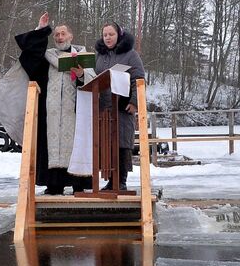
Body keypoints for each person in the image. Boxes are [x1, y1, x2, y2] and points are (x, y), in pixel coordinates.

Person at [12, 13, 92, 194]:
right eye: (56, 34)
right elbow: (29, 53)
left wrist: (80, 75)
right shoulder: (47, 57)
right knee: (51, 147)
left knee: (75, 146)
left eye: (63, 34)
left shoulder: (82, 56)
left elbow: (93, 82)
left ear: (71, 36)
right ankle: (54, 184)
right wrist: (41, 29)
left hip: (75, 114)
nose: (60, 37)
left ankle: (78, 184)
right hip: (51, 114)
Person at [94, 21, 147, 191]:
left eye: (111, 34)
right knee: (106, 143)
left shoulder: (131, 55)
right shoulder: (99, 56)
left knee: (122, 143)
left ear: (119, 35)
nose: (108, 38)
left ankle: (121, 181)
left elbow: (138, 79)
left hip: (122, 107)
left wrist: (134, 102)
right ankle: (110, 180)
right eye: (105, 35)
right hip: (104, 108)